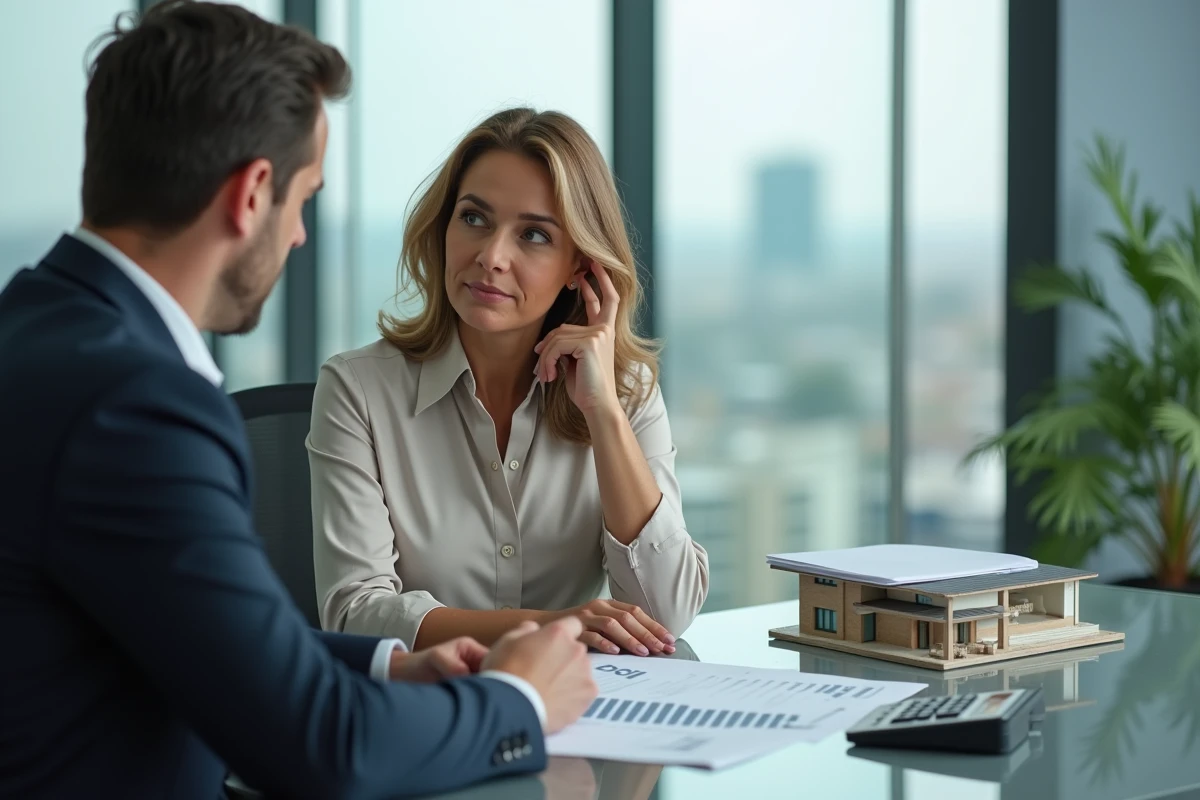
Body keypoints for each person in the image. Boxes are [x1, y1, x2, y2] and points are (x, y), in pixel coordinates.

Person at [0, 4, 596, 799]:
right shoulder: (137, 408)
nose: (299, 236)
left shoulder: (33, 326)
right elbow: (324, 749)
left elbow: (199, 636)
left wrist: (387, 664)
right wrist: (518, 702)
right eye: (304, 198)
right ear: (253, 195)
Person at [308, 107, 710, 656]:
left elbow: (665, 616)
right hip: (424, 699)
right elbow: (354, 613)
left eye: (534, 235)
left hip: (581, 702)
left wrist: (605, 415)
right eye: (474, 218)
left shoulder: (625, 393)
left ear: (580, 267)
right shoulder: (357, 390)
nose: (491, 256)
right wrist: (551, 626)